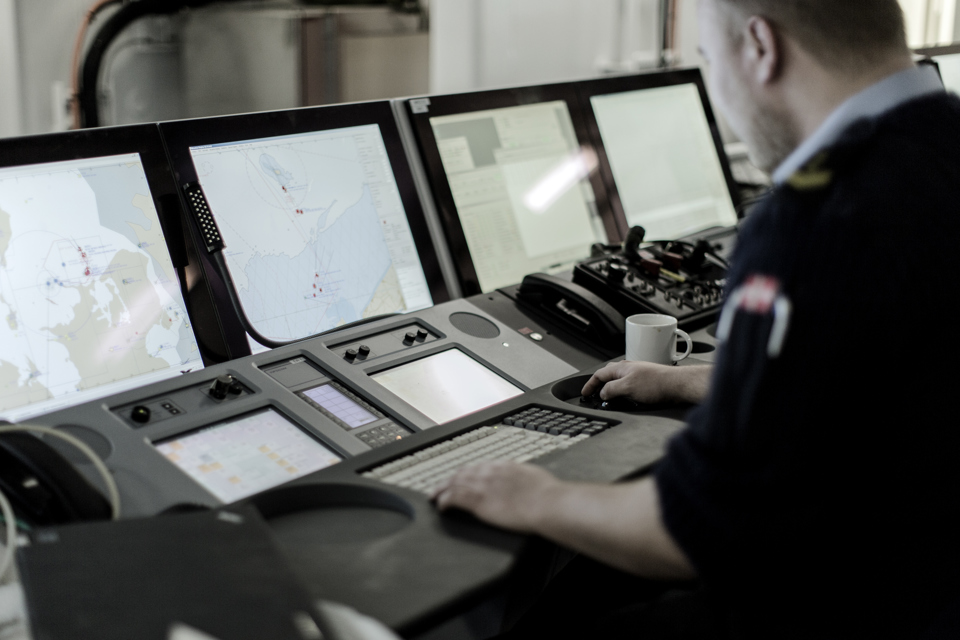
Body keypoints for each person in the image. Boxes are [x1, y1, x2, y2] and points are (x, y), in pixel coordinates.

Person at [433, 0, 960, 637]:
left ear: (761, 47)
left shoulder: (816, 220)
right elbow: (897, 364)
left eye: (710, 58)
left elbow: (704, 527)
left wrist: (533, 497)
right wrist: (696, 379)